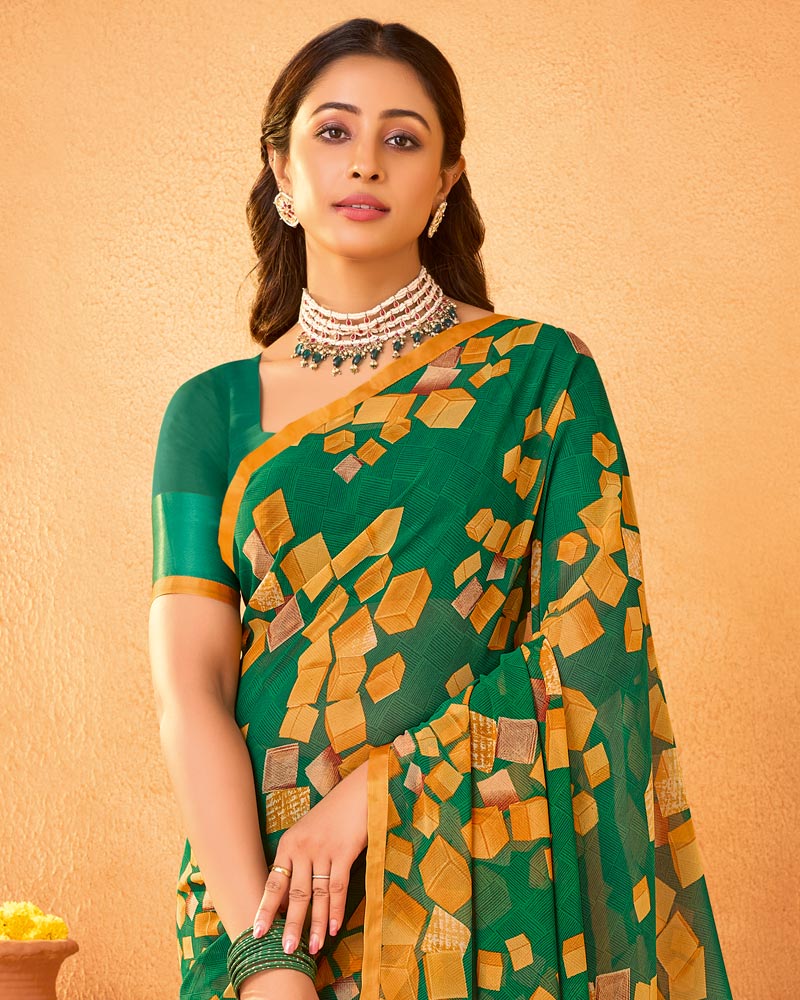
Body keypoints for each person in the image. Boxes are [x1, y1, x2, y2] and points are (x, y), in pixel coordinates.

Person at [148, 17, 733, 1000]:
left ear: (446, 177)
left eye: (402, 137)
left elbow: (593, 645)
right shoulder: (211, 412)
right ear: (281, 168)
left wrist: (378, 793)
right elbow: (191, 689)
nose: (365, 162)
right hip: (266, 885)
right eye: (333, 131)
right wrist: (264, 953)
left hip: (487, 882)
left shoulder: (537, 375)